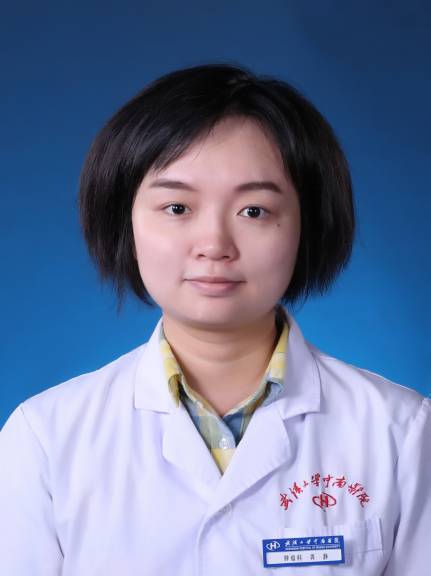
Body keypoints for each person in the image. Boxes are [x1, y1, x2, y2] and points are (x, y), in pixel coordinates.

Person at [0, 63, 429, 575]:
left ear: (309, 225)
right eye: (177, 208)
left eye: (254, 211)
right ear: (124, 222)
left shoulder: (401, 432)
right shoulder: (45, 438)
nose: (214, 245)